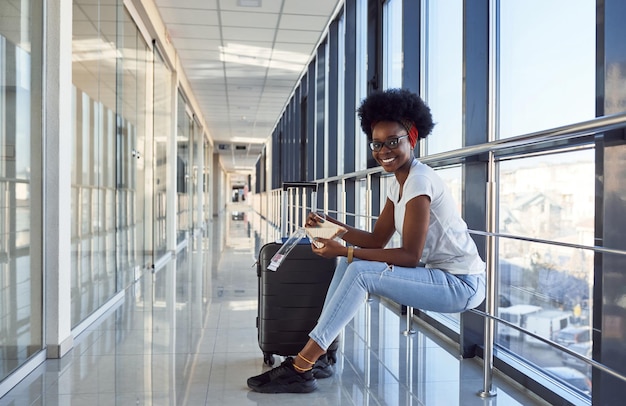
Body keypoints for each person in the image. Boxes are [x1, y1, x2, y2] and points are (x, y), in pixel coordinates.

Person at [247, 88, 486, 393]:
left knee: (358, 269)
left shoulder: (419, 181)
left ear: (411, 138)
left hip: (461, 284)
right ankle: (324, 352)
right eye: (377, 143)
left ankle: (301, 366)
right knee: (354, 263)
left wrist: (344, 250)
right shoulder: (398, 182)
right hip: (440, 276)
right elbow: (376, 239)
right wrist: (330, 227)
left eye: (393, 141)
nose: (384, 150)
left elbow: (410, 256)